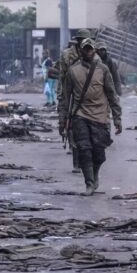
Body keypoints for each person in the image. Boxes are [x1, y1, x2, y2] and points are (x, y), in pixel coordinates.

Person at [59, 39, 122, 196]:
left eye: (90, 49)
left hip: (100, 116)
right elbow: (66, 98)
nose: (88, 52)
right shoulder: (73, 72)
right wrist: (63, 121)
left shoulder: (103, 70)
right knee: (84, 149)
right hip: (80, 115)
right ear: (81, 51)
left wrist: (117, 118)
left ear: (94, 51)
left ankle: (94, 175)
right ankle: (89, 182)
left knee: (99, 153)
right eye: (85, 49)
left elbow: (112, 95)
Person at [57, 29, 92, 173]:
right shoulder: (67, 55)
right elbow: (62, 76)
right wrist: (62, 96)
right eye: (81, 40)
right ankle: (77, 162)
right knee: (71, 127)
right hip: (71, 94)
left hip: (89, 95)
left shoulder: (93, 55)